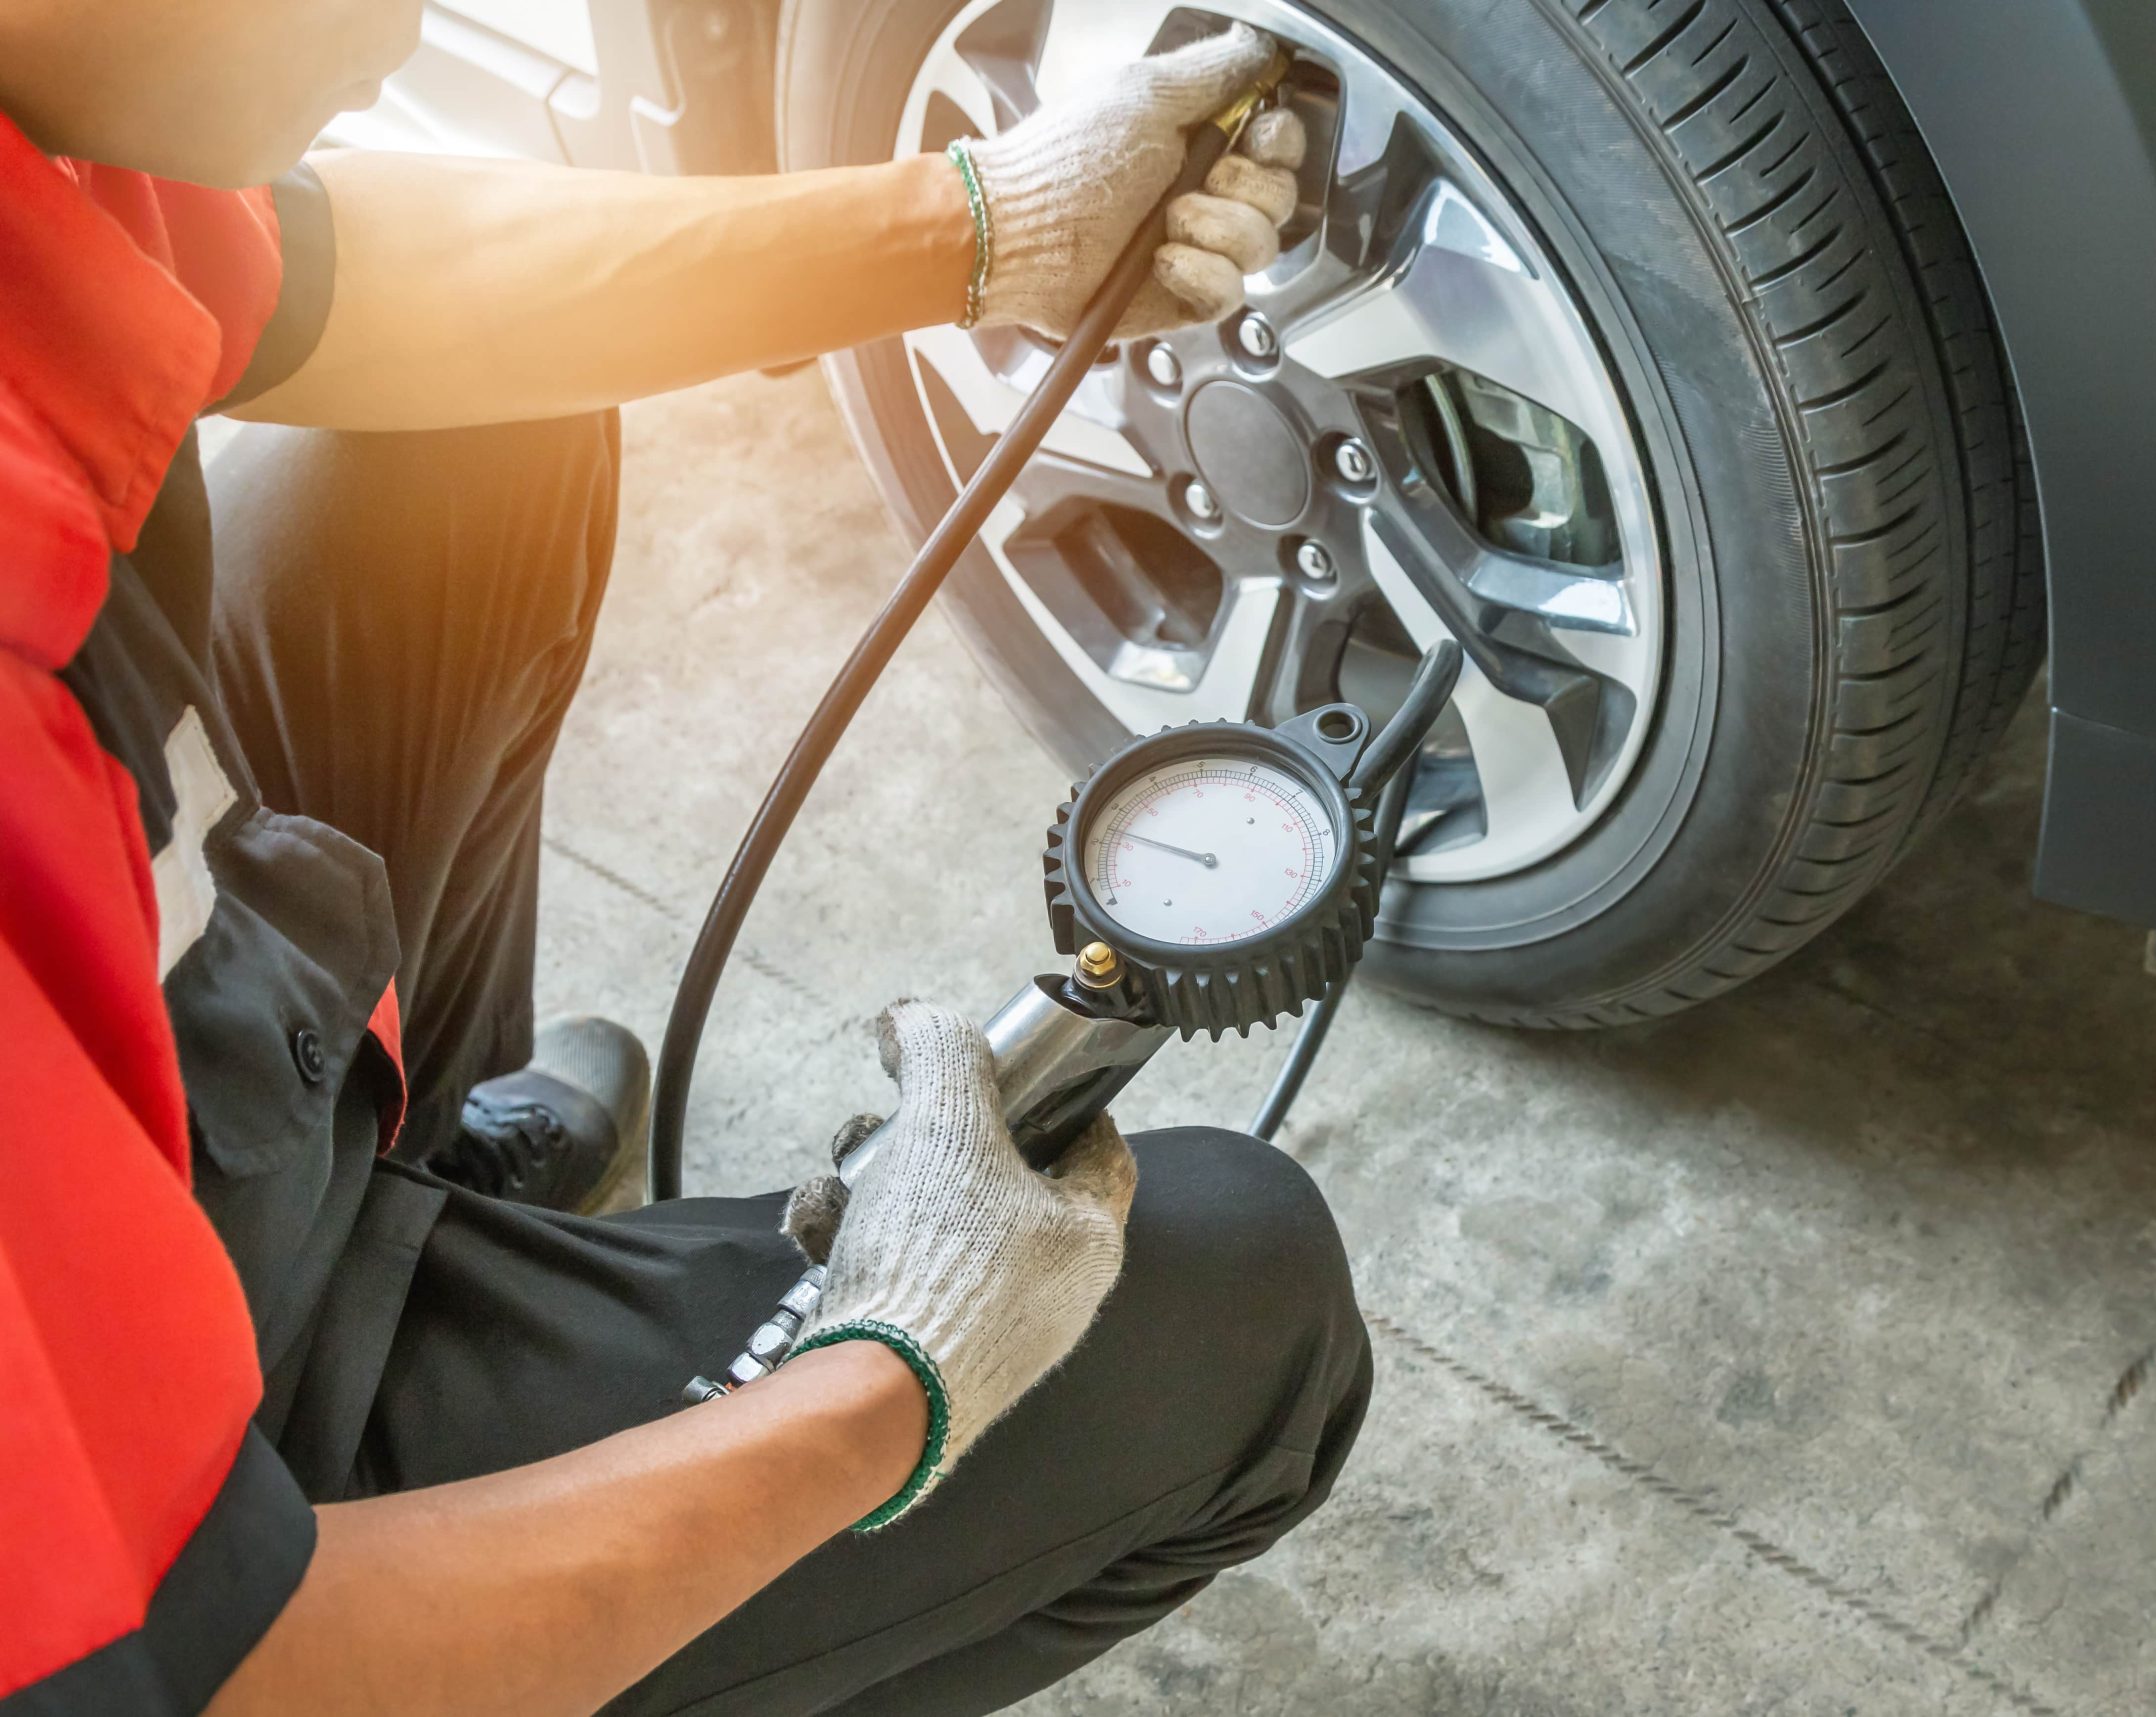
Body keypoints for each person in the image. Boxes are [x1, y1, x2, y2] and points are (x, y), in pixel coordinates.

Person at [0, 3, 1369, 1712]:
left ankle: (395, 1181)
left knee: (470, 439)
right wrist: (891, 1377)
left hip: (168, 1136)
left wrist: (989, 227)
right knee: (1250, 1301)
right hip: (233, 1576)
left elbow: (323, 264)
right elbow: (223, 1676)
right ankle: (411, 1392)